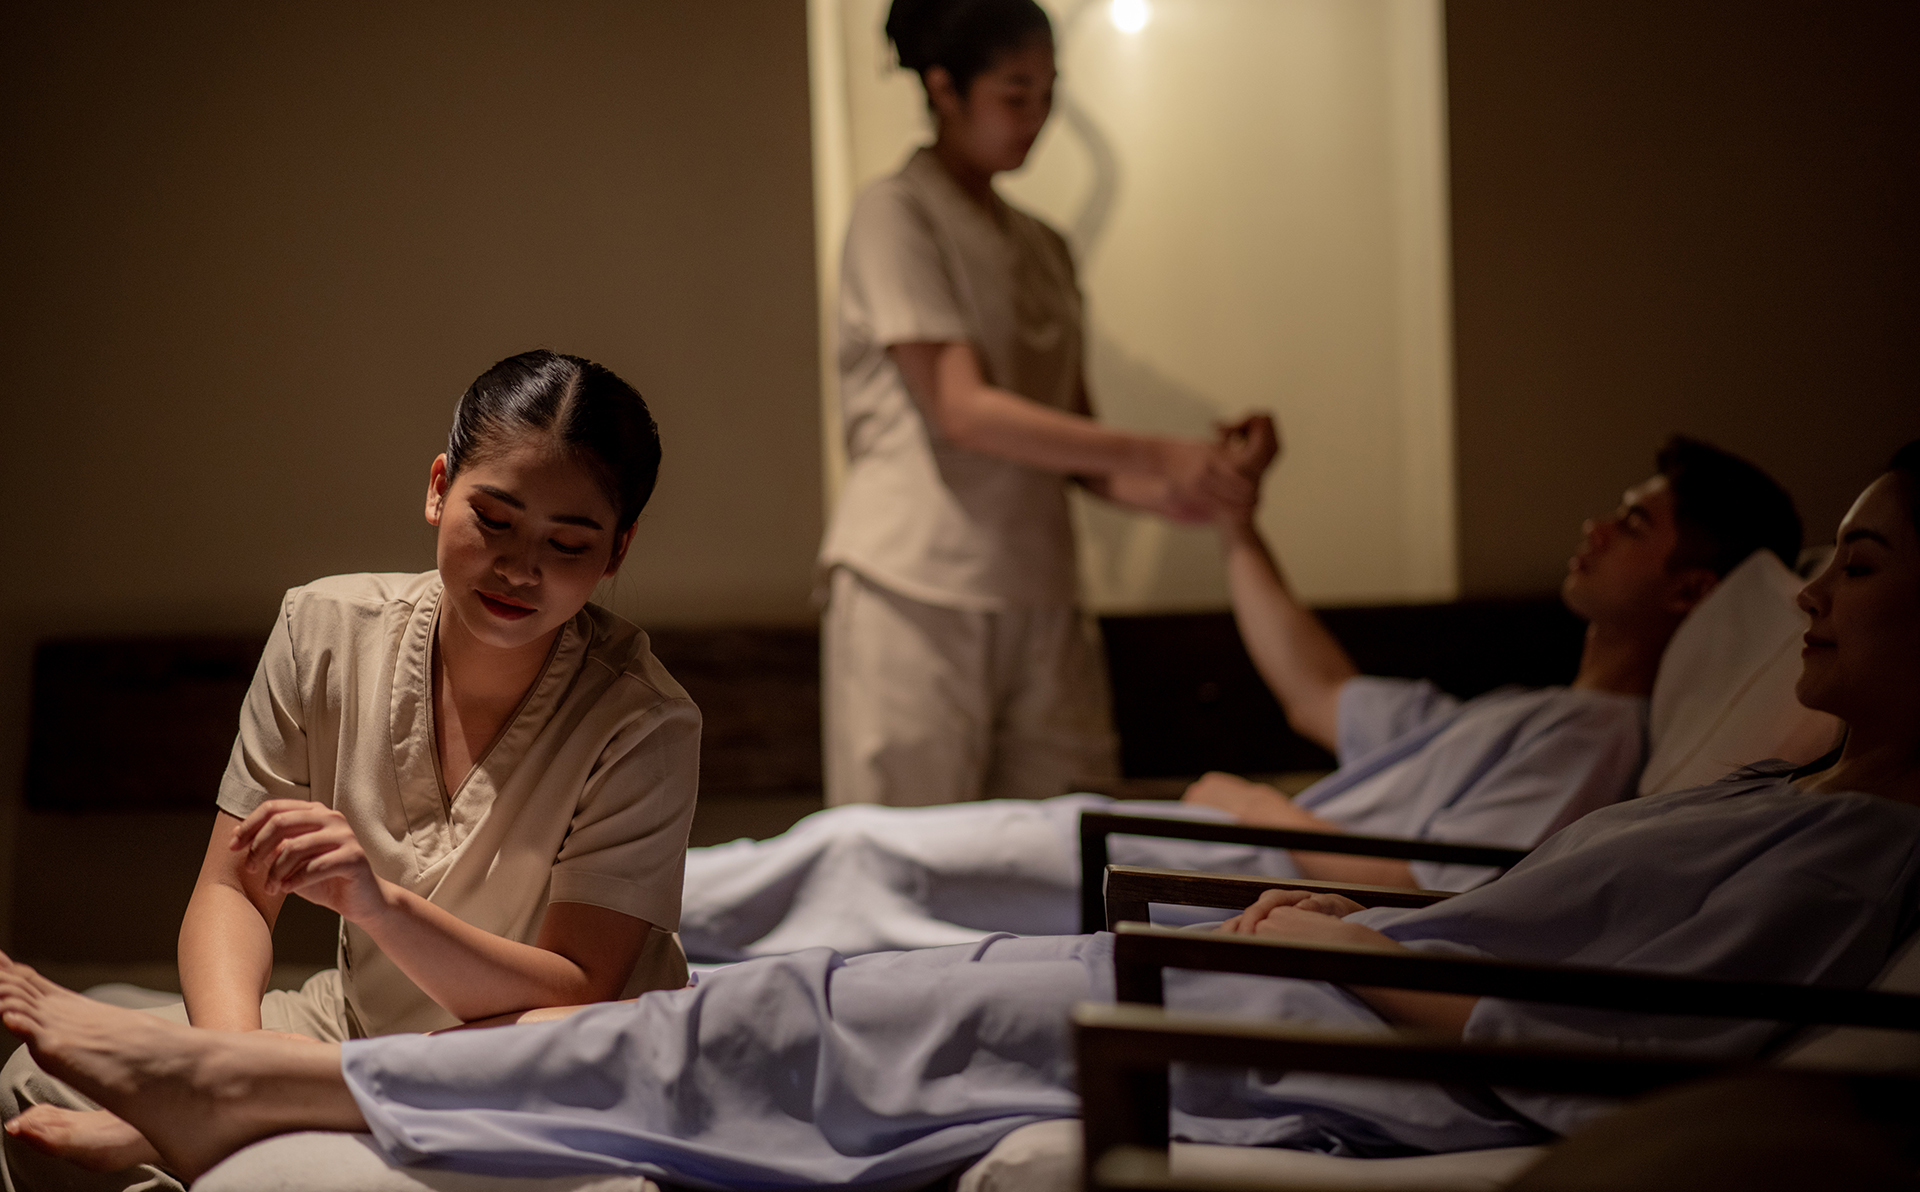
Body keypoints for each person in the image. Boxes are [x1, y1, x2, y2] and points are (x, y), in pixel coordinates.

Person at [11, 440, 1899, 1190]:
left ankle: (253, 1091)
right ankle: (254, 1085)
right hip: (1276, 952)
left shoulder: (1850, 848)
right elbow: (1360, 747)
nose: (1819, 593)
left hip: (1310, 998)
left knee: (794, 1004)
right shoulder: (1755, 783)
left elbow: (1597, 1052)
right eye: (1822, 562)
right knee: (806, 974)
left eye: (1867, 567)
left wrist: (1341, 917)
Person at [677, 431, 1803, 959]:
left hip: (1201, 875)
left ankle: (615, 924)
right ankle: (618, 918)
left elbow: (1440, 888)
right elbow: (1321, 691)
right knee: (853, 853)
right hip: (1186, 844)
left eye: (1636, 523)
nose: (1597, 526)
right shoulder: (1530, 708)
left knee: (860, 858)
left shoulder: (1598, 740)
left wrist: (1262, 810)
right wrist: (1235, 527)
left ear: (1691, 590)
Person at [0, 351, 701, 1192]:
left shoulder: (644, 722)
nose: (521, 568)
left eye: (568, 543)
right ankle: (253, 1097)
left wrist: (378, 905)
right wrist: (229, 1060)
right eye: (494, 520)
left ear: (617, 550)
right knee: (30, 1080)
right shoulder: (324, 630)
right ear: (439, 488)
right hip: (358, 1025)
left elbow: (579, 991)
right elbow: (233, 887)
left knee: (551, 1054)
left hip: (535, 1063)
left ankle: (276, 1101)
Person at [817, 0, 1261, 808]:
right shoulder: (896, 213)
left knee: (1060, 841)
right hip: (918, 585)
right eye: (1015, 94)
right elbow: (963, 410)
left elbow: (1081, 451)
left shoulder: (1043, 247)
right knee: (911, 852)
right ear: (945, 90)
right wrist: (1162, 450)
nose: (1036, 119)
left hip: (1040, 585)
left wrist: (1200, 483)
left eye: (1048, 95)